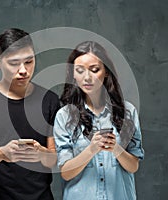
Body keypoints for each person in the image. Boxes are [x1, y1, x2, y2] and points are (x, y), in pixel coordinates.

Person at [0, 28, 60, 200]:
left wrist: (41, 153)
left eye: (29, 62)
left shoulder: (50, 100)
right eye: (14, 63)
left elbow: (54, 159)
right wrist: (1, 153)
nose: (23, 70)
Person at [53, 41, 144, 200]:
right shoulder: (64, 116)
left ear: (106, 72)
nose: (87, 77)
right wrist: (92, 149)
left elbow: (133, 166)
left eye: (94, 70)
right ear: (73, 74)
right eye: (80, 71)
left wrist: (116, 148)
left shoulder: (128, 112)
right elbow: (66, 172)